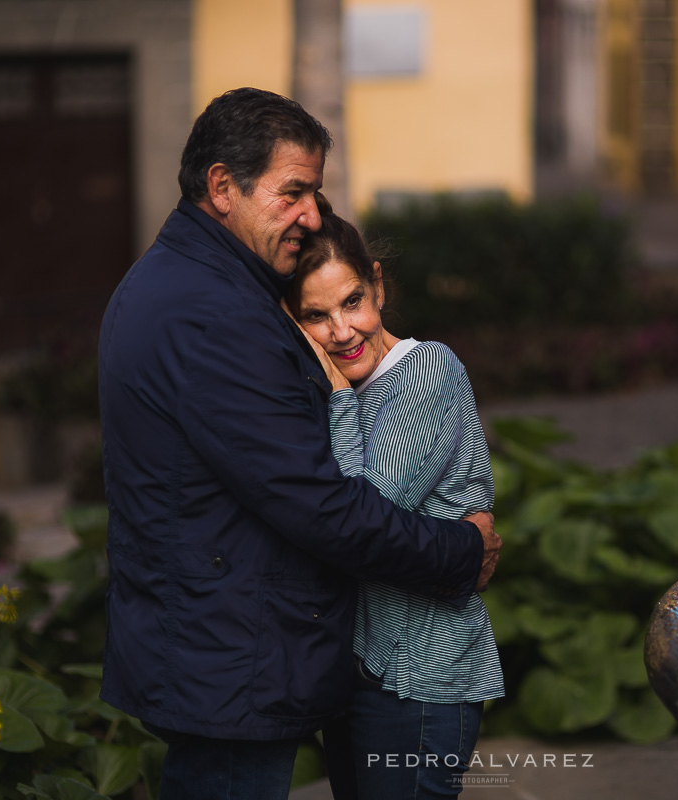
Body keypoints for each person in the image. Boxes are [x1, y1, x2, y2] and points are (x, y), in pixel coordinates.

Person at [97, 87, 500, 800]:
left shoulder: (173, 282)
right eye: (293, 193)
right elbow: (320, 505)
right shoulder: (215, 313)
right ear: (222, 185)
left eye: (315, 193)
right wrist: (462, 552)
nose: (312, 214)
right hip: (232, 657)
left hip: (217, 646)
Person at [285, 215, 503, 799]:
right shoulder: (338, 389)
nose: (341, 330)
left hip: (423, 680)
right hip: (356, 677)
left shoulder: (427, 370)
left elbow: (364, 514)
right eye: (315, 315)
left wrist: (334, 390)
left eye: (352, 301)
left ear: (377, 286)